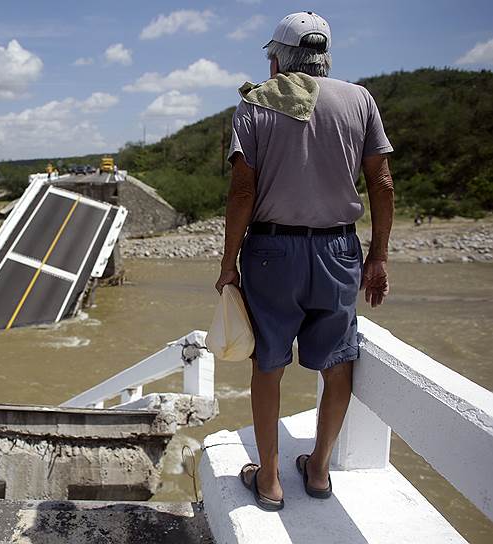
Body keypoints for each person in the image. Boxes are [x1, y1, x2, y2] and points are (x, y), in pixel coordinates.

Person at [215, 11, 394, 511]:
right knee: (338, 361)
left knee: (268, 362)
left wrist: (229, 263)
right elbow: (381, 182)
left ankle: (269, 481)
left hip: (272, 252)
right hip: (339, 251)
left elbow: (242, 191)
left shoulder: (255, 105)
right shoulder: (360, 100)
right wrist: (378, 257)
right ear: (325, 58)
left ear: (278, 59)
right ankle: (317, 470)